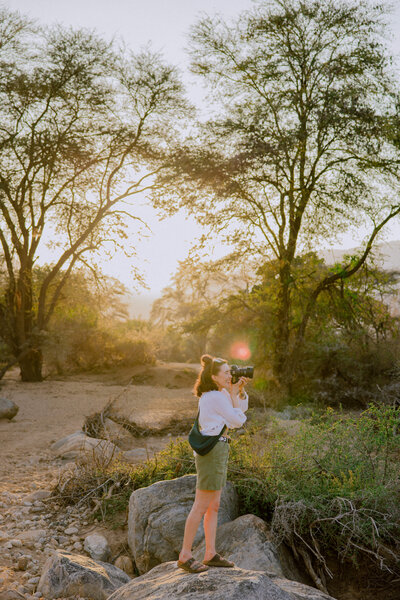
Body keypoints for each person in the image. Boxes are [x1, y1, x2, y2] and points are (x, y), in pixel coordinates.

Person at [177, 354, 250, 573]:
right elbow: (237, 421)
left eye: (230, 371)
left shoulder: (219, 394)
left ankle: (210, 553)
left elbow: (238, 413)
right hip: (213, 452)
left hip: (219, 448)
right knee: (201, 505)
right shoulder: (215, 397)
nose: (231, 375)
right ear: (214, 376)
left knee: (214, 505)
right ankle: (185, 555)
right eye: (226, 372)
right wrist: (234, 402)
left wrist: (238, 392)